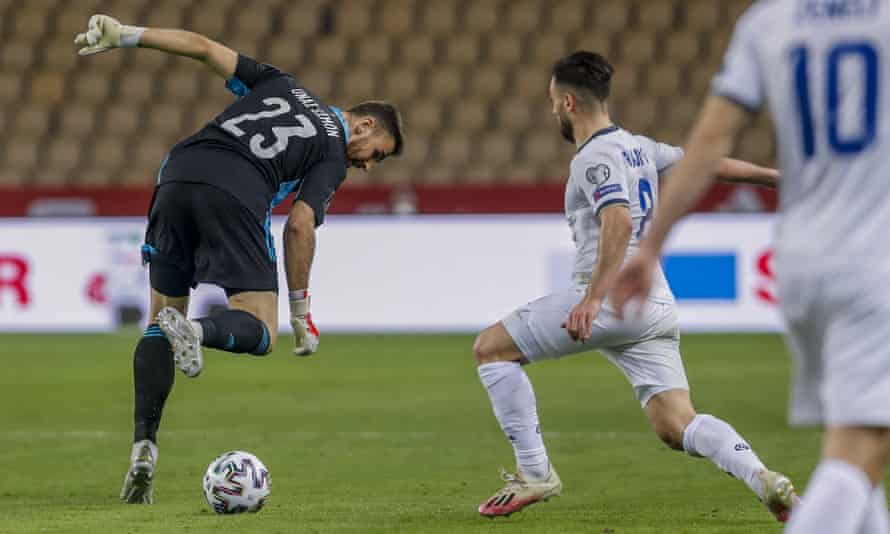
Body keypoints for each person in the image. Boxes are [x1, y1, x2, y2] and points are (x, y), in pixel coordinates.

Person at [75, 14, 404, 504]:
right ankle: (200, 331)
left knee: (158, 319)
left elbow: (205, 47)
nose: (369, 164)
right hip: (236, 191)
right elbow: (299, 226)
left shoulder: (281, 83)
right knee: (261, 329)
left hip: (177, 175)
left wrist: (127, 35)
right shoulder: (333, 151)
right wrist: (299, 312)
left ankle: (144, 446)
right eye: (378, 152)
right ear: (366, 123)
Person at [474, 51, 798, 522]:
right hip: (655, 302)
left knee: (491, 350)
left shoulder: (593, 158)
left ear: (567, 103)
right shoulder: (637, 146)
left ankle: (535, 473)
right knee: (677, 424)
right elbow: (706, 163)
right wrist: (774, 178)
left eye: (550, 102)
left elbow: (619, 220)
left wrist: (593, 298)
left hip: (610, 297)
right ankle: (765, 479)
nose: (550, 111)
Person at [611, 2, 890, 532]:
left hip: (804, 259)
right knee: (861, 452)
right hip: (874, 257)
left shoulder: (768, 23)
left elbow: (709, 142)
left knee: (860, 443)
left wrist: (651, 247)